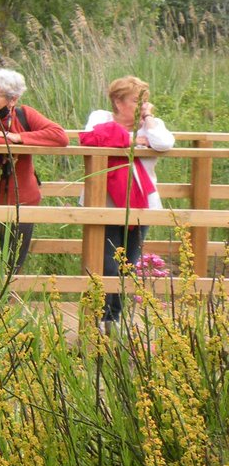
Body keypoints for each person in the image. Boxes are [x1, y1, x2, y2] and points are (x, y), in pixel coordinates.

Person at [79, 76, 175, 328]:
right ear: (118, 102)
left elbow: (164, 143)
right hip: (104, 201)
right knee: (106, 263)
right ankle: (99, 316)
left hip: (141, 203)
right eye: (135, 101)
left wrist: (148, 118)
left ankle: (114, 319)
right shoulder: (101, 117)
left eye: (144, 100)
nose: (141, 105)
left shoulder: (152, 126)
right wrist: (133, 141)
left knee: (128, 265)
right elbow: (94, 138)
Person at [0, 68, 68, 274]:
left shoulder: (25, 115)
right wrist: (6, 141)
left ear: (13, 99)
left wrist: (20, 138)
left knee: (14, 263)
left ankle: (9, 296)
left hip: (23, 200)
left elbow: (59, 136)